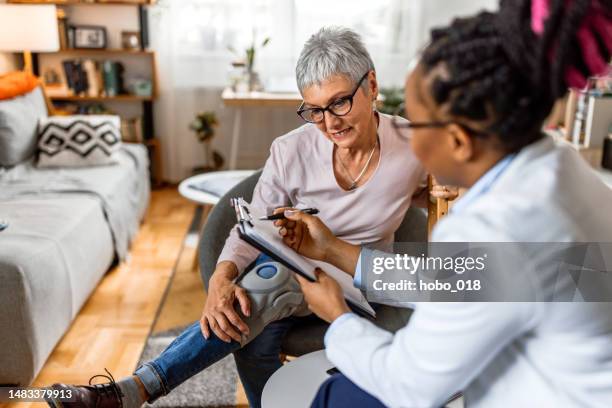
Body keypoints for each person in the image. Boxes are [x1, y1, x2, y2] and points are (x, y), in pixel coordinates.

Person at [46, 27, 457, 408]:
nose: (329, 123)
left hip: (356, 279)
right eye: (314, 110)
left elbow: (449, 197)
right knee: (254, 315)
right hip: (292, 266)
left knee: (265, 286)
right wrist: (220, 280)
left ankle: (132, 390)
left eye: (339, 103)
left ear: (370, 85)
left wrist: (434, 195)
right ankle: (133, 390)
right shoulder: (290, 149)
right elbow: (251, 229)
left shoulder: (414, 144)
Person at [278, 1, 612, 406]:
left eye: (415, 124)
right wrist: (331, 248)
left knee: (334, 396)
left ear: (457, 140)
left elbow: (409, 387)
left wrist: (338, 317)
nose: (406, 136)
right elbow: (464, 281)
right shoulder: (563, 172)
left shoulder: (500, 225)